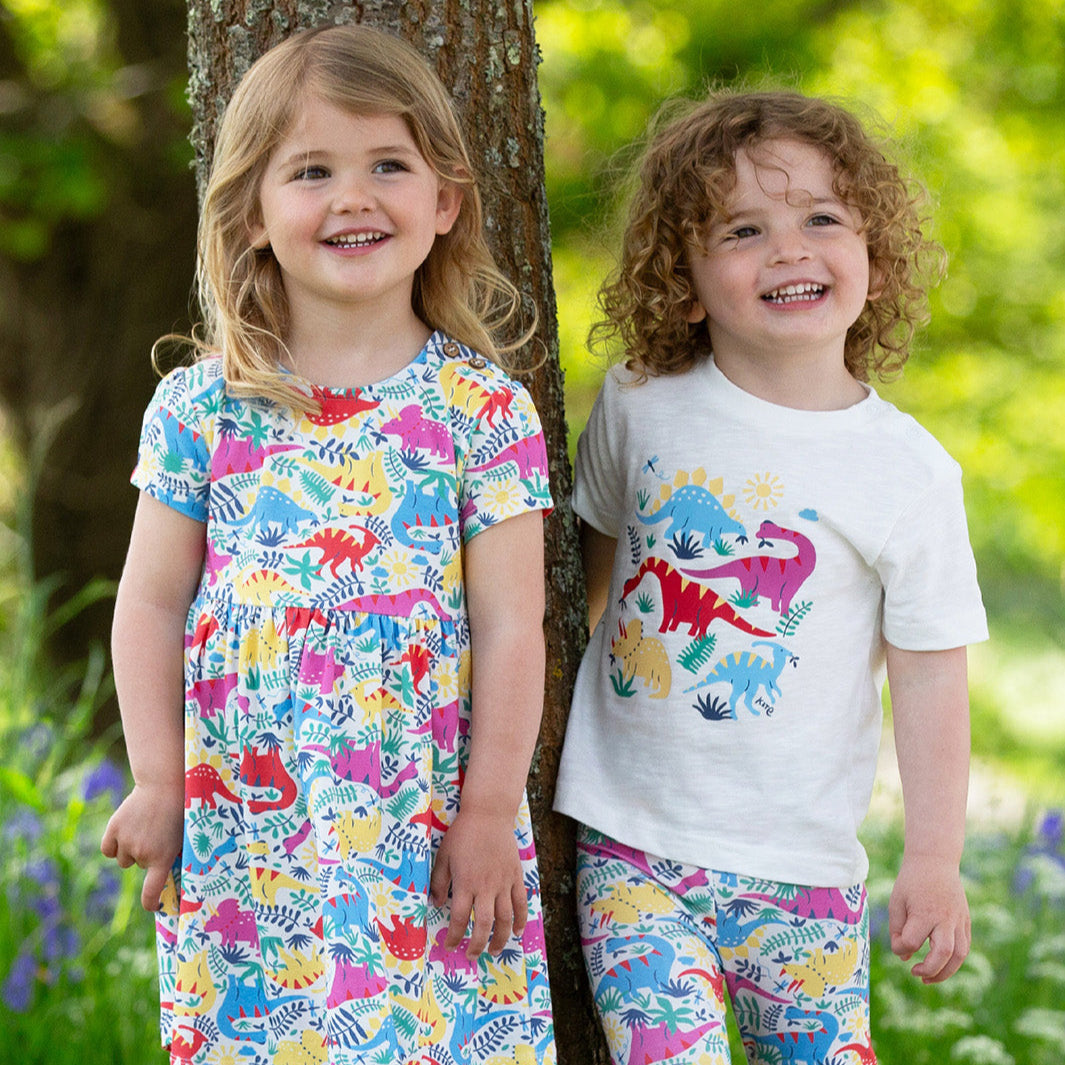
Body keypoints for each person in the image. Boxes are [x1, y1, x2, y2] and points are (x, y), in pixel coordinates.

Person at [100, 24, 556, 1064]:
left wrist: (489, 811)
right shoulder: (202, 407)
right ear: (252, 215)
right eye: (311, 172)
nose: (353, 197)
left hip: (424, 829)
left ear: (444, 202)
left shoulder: (482, 410)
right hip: (246, 829)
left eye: (388, 165)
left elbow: (512, 627)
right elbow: (150, 603)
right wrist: (159, 780)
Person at [553, 89, 988, 1064]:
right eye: (743, 230)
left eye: (821, 219)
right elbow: (584, 583)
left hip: (804, 874)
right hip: (633, 846)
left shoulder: (908, 472)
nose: (788, 249)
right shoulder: (639, 404)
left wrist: (934, 858)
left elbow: (930, 673)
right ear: (684, 279)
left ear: (876, 257)